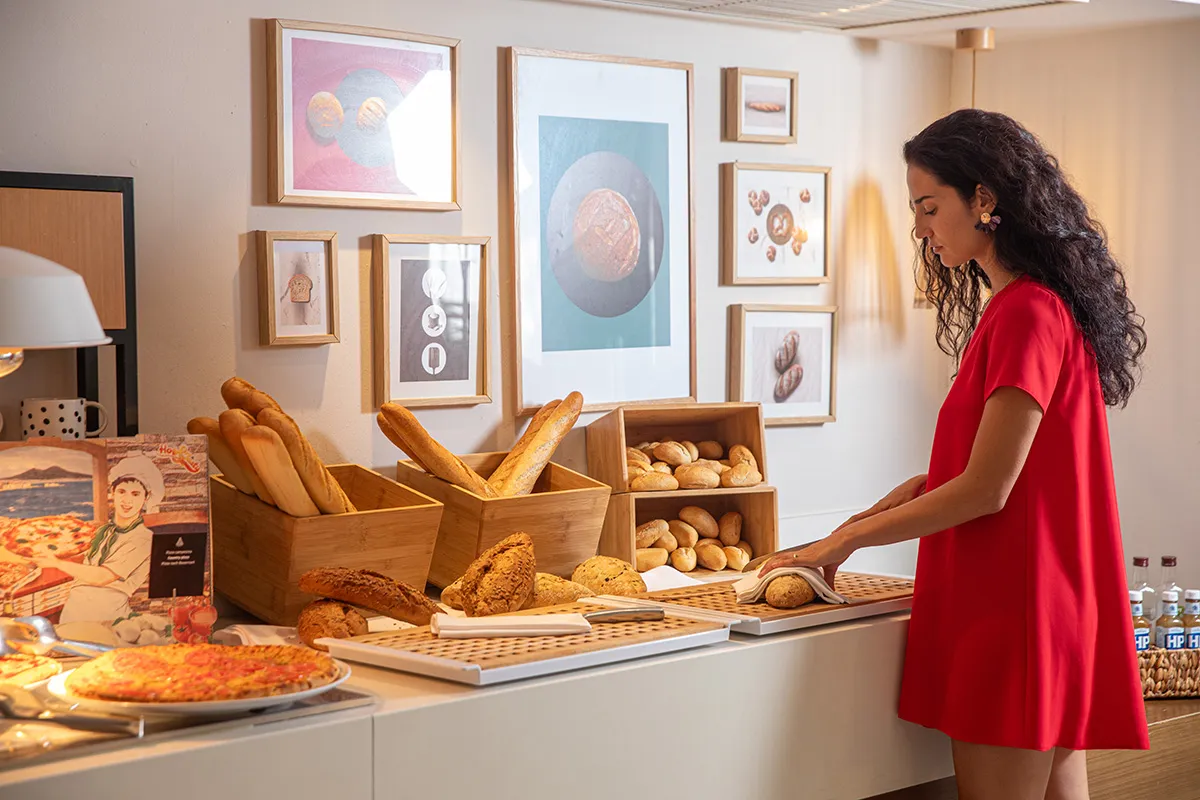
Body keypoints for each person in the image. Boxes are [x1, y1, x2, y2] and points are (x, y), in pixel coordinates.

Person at [758, 109, 1149, 800]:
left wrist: (844, 540)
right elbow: (985, 475)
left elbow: (986, 489)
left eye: (928, 206)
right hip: (1042, 612)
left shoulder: (1026, 313)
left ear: (985, 200)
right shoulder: (1036, 308)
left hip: (1013, 619)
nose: (919, 228)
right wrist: (861, 520)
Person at [39, 454, 165, 625]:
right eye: (122, 491)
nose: (127, 500)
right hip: (73, 612)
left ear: (146, 498)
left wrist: (57, 563)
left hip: (106, 616)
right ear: (112, 493)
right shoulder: (102, 532)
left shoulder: (143, 539)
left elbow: (102, 577)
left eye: (135, 494)